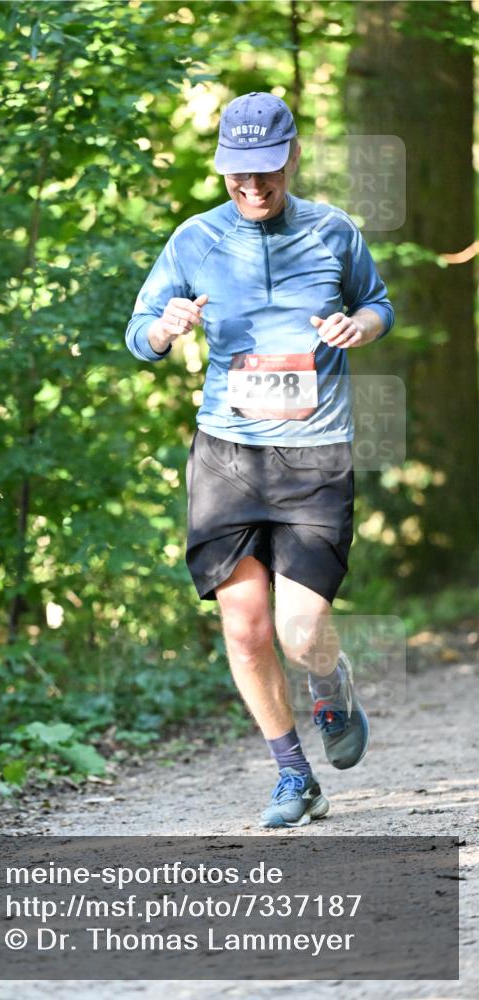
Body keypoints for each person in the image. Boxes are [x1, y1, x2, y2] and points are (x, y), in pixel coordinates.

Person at [125, 91, 394, 828]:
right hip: (226, 456)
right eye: (237, 176)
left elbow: (378, 303)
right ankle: (291, 776)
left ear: (293, 156)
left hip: (313, 459)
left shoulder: (333, 233)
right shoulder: (194, 240)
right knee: (244, 626)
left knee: (299, 630)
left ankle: (329, 685)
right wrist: (162, 329)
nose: (251, 188)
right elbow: (138, 329)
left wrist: (359, 327)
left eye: (266, 174)